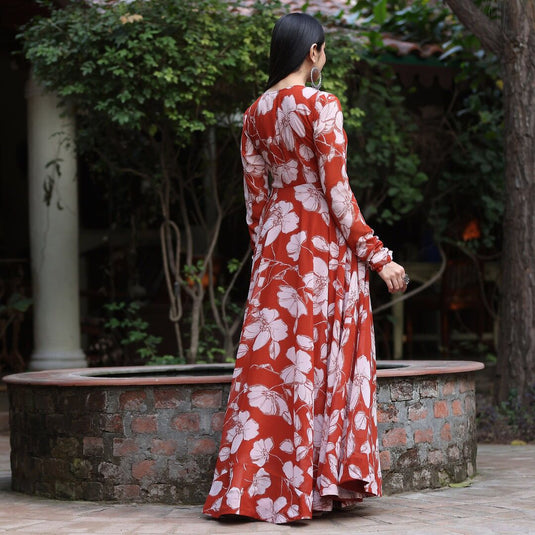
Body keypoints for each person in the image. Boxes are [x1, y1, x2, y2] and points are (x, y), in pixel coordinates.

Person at [203, 12, 407, 524]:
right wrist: (379, 256)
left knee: (274, 365)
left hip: (277, 246)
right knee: (322, 359)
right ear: (313, 53)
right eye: (324, 52)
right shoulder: (323, 105)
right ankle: (316, 486)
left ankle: (251, 492)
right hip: (322, 245)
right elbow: (338, 195)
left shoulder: (254, 114)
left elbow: (254, 202)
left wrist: (272, 254)